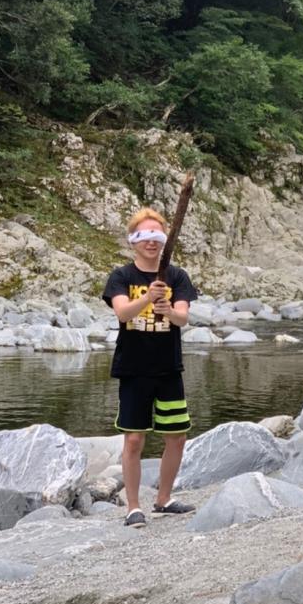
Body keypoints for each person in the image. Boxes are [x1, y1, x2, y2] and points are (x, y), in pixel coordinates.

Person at [103, 207, 198, 527]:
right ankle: (132, 506)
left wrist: (167, 308)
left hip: (168, 367)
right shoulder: (121, 276)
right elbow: (123, 314)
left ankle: (164, 498)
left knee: (177, 435)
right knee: (133, 439)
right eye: (144, 236)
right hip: (133, 368)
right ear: (133, 241)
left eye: (157, 235)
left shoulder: (177, 276)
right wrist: (147, 299)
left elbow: (182, 318)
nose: (151, 242)